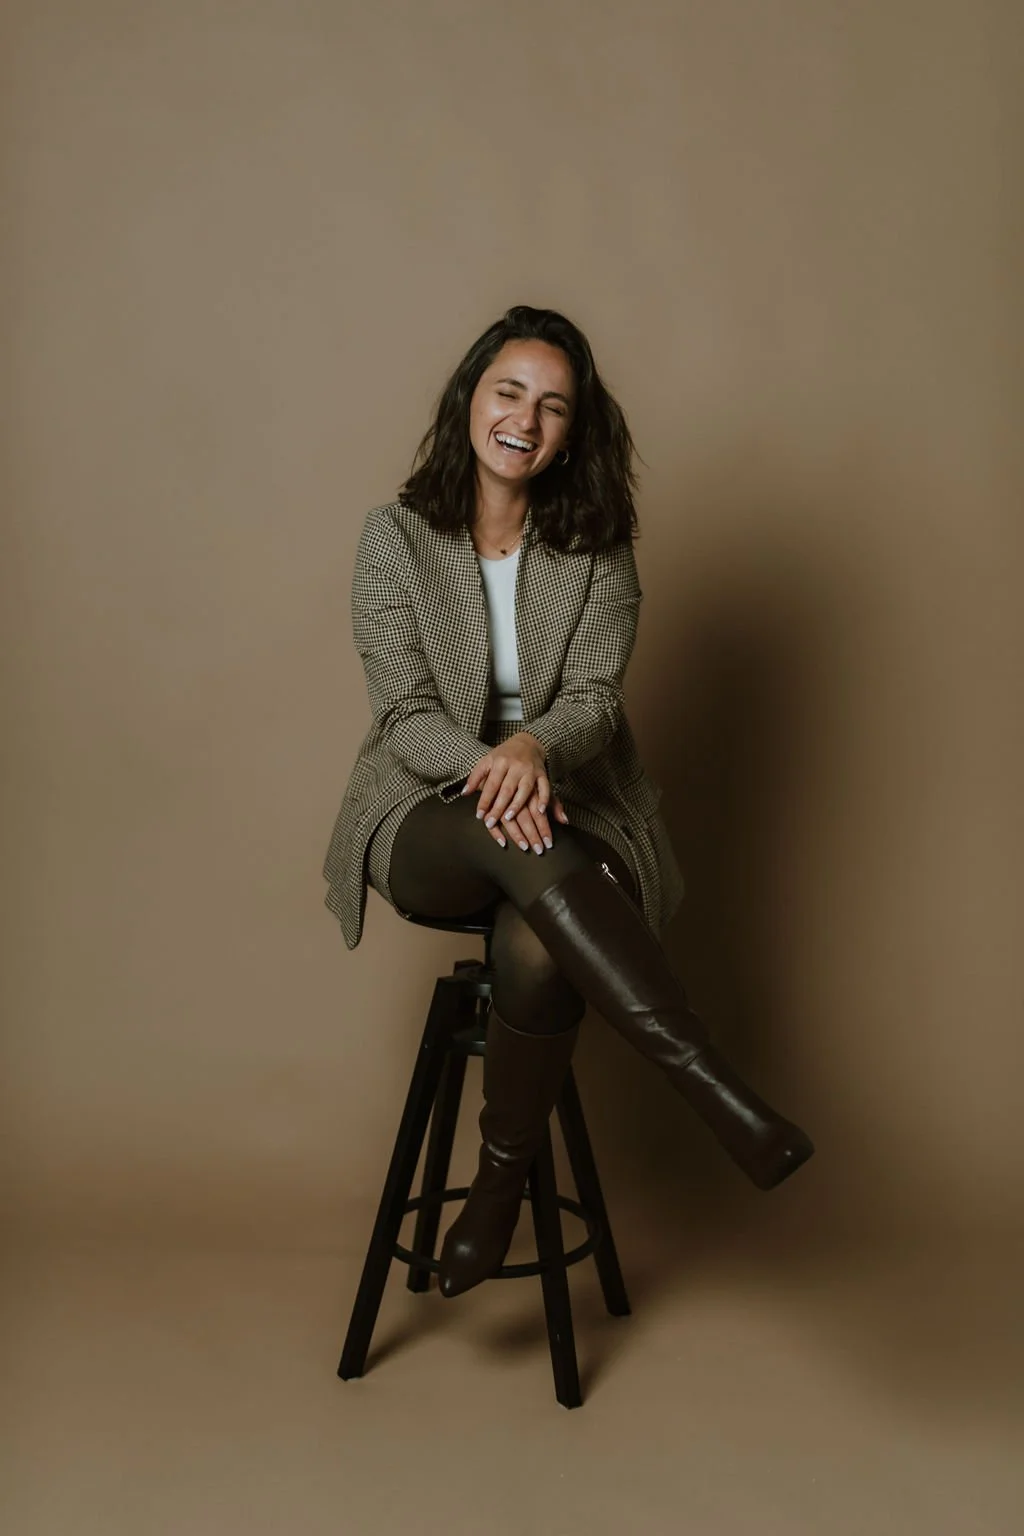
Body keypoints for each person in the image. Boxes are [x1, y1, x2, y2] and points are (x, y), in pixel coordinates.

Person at [323, 304, 813, 1299]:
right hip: (424, 812)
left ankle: (495, 1189)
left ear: (572, 433)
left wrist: (534, 748)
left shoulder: (596, 547)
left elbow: (591, 702)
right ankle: (708, 1087)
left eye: (553, 407)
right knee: (519, 834)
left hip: (568, 810)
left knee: (537, 936)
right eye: (509, 392)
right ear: (471, 398)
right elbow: (406, 713)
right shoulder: (395, 540)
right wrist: (496, 767)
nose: (525, 419)